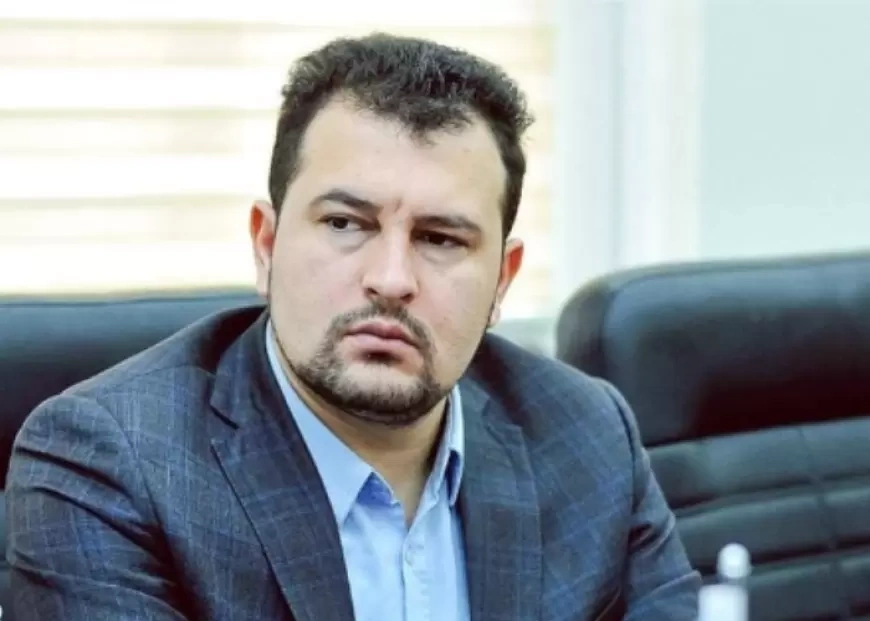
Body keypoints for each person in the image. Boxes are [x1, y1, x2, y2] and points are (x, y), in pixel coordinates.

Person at [6, 33, 700, 621]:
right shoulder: (110, 464)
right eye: (345, 224)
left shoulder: (587, 436)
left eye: (441, 239)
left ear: (502, 279)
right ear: (266, 245)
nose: (391, 278)